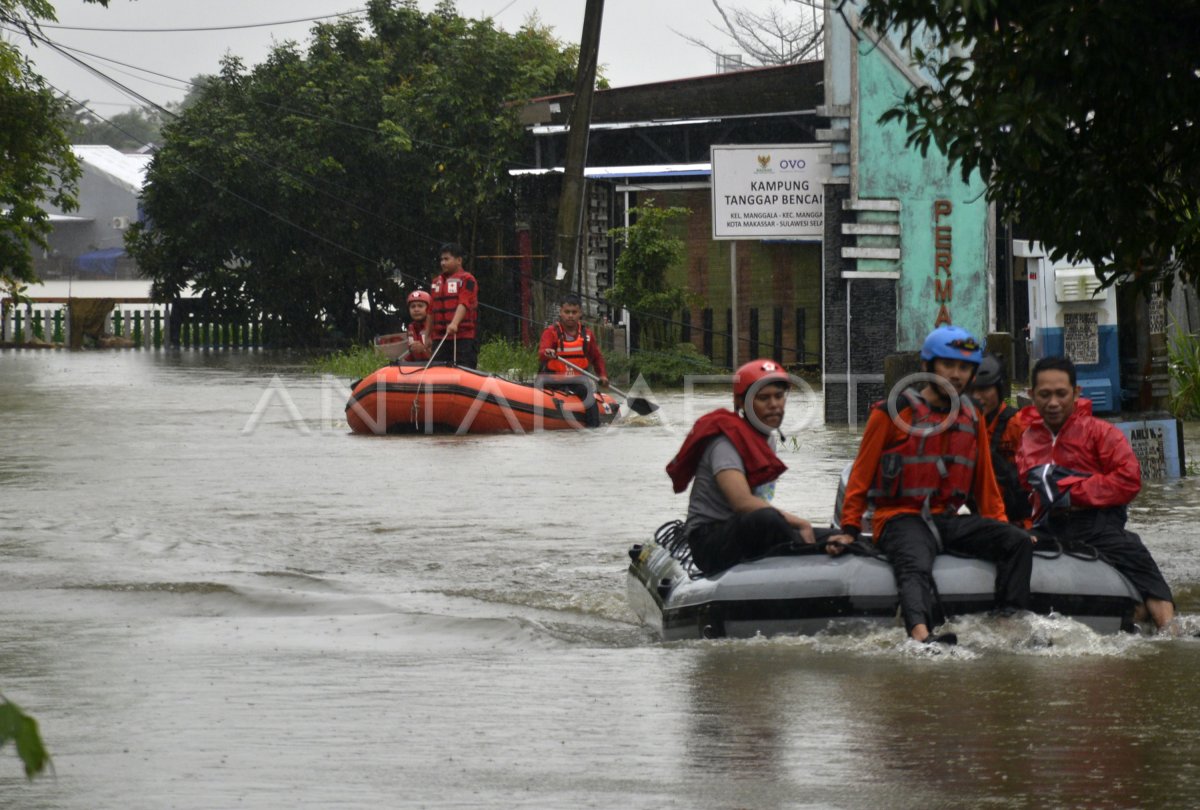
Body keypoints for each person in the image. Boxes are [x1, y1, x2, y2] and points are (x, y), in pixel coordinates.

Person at [828, 325, 1036, 644]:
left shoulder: (972, 417)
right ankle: (921, 636)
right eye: (948, 365)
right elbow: (861, 475)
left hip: (946, 518)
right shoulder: (892, 412)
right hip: (898, 516)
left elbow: (985, 485)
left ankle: (1011, 626)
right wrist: (850, 527)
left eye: (964, 368)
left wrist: (1001, 529)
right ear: (927, 367)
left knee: (1017, 542)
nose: (956, 374)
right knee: (914, 562)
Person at [1017, 356, 1176, 629]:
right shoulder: (1027, 438)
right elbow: (1023, 489)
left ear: (1076, 393)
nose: (1053, 403)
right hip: (1048, 526)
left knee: (1136, 555)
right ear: (1031, 395)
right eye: (1044, 395)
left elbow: (1129, 480)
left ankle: (1168, 626)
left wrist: (1072, 491)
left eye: (1061, 394)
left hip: (1097, 524)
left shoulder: (1101, 433)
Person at [666, 359, 825, 577]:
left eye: (779, 396)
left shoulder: (766, 438)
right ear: (740, 402)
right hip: (711, 540)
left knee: (834, 535)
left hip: (748, 529)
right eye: (763, 398)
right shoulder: (725, 443)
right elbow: (742, 502)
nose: (774, 404)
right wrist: (801, 523)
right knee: (768, 519)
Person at [968, 353, 1032, 527]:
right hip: (977, 514)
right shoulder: (961, 426)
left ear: (999, 389)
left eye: (984, 389)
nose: (977, 397)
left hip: (1016, 515)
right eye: (972, 391)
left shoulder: (1018, 425)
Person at [538, 293, 609, 427]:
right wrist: (548, 352)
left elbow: (597, 357)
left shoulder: (587, 335)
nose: (570, 315)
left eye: (574, 312)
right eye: (567, 312)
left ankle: (593, 430)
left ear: (580, 313)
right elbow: (542, 352)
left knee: (589, 398)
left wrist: (603, 375)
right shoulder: (551, 332)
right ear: (561, 312)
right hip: (553, 380)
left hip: (577, 381)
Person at [429, 242, 479, 368]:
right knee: (437, 372)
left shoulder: (467, 279)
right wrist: (428, 335)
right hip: (440, 337)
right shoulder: (436, 282)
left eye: (446, 259)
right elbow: (431, 310)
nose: (443, 263)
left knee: (465, 370)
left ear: (459, 260)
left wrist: (454, 323)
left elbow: (464, 302)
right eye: (441, 259)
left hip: (463, 337)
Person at [405, 289, 432, 361]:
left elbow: (442, 358)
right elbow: (411, 356)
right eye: (413, 306)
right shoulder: (411, 328)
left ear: (429, 308)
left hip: (435, 368)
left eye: (420, 306)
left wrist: (423, 350)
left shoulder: (435, 327)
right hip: (418, 367)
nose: (416, 309)